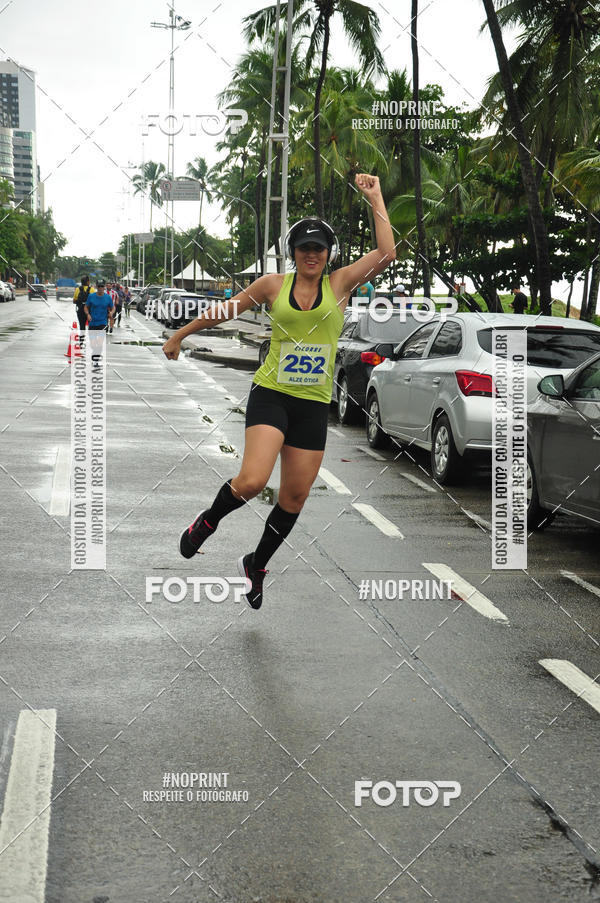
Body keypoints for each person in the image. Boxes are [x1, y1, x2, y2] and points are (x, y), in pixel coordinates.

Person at [163, 174, 395, 609]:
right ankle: (208, 522)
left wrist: (376, 198)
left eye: (319, 249)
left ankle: (257, 564)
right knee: (251, 480)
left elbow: (386, 253)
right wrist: (182, 333)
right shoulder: (273, 286)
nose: (311, 255)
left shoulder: (340, 284)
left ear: (328, 255)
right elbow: (223, 310)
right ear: (293, 253)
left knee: (293, 497)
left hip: (311, 405)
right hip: (271, 394)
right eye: (304, 248)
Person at [73, 275, 91, 344]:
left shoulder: (78, 289)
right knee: (90, 326)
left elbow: (74, 301)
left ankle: (81, 341)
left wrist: (79, 301)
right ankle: (90, 342)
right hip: (89, 311)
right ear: (88, 282)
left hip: (80, 310)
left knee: (82, 326)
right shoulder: (91, 289)